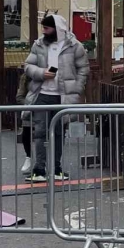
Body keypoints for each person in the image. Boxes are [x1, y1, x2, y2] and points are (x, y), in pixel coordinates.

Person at [21, 13, 89, 182]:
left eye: (47, 28)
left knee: (59, 133)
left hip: (63, 97)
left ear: (57, 29)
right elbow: (28, 65)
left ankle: (56, 168)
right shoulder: (38, 44)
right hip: (42, 94)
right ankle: (39, 169)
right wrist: (41, 73)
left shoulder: (75, 46)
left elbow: (83, 68)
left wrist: (77, 88)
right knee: (40, 133)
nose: (43, 31)